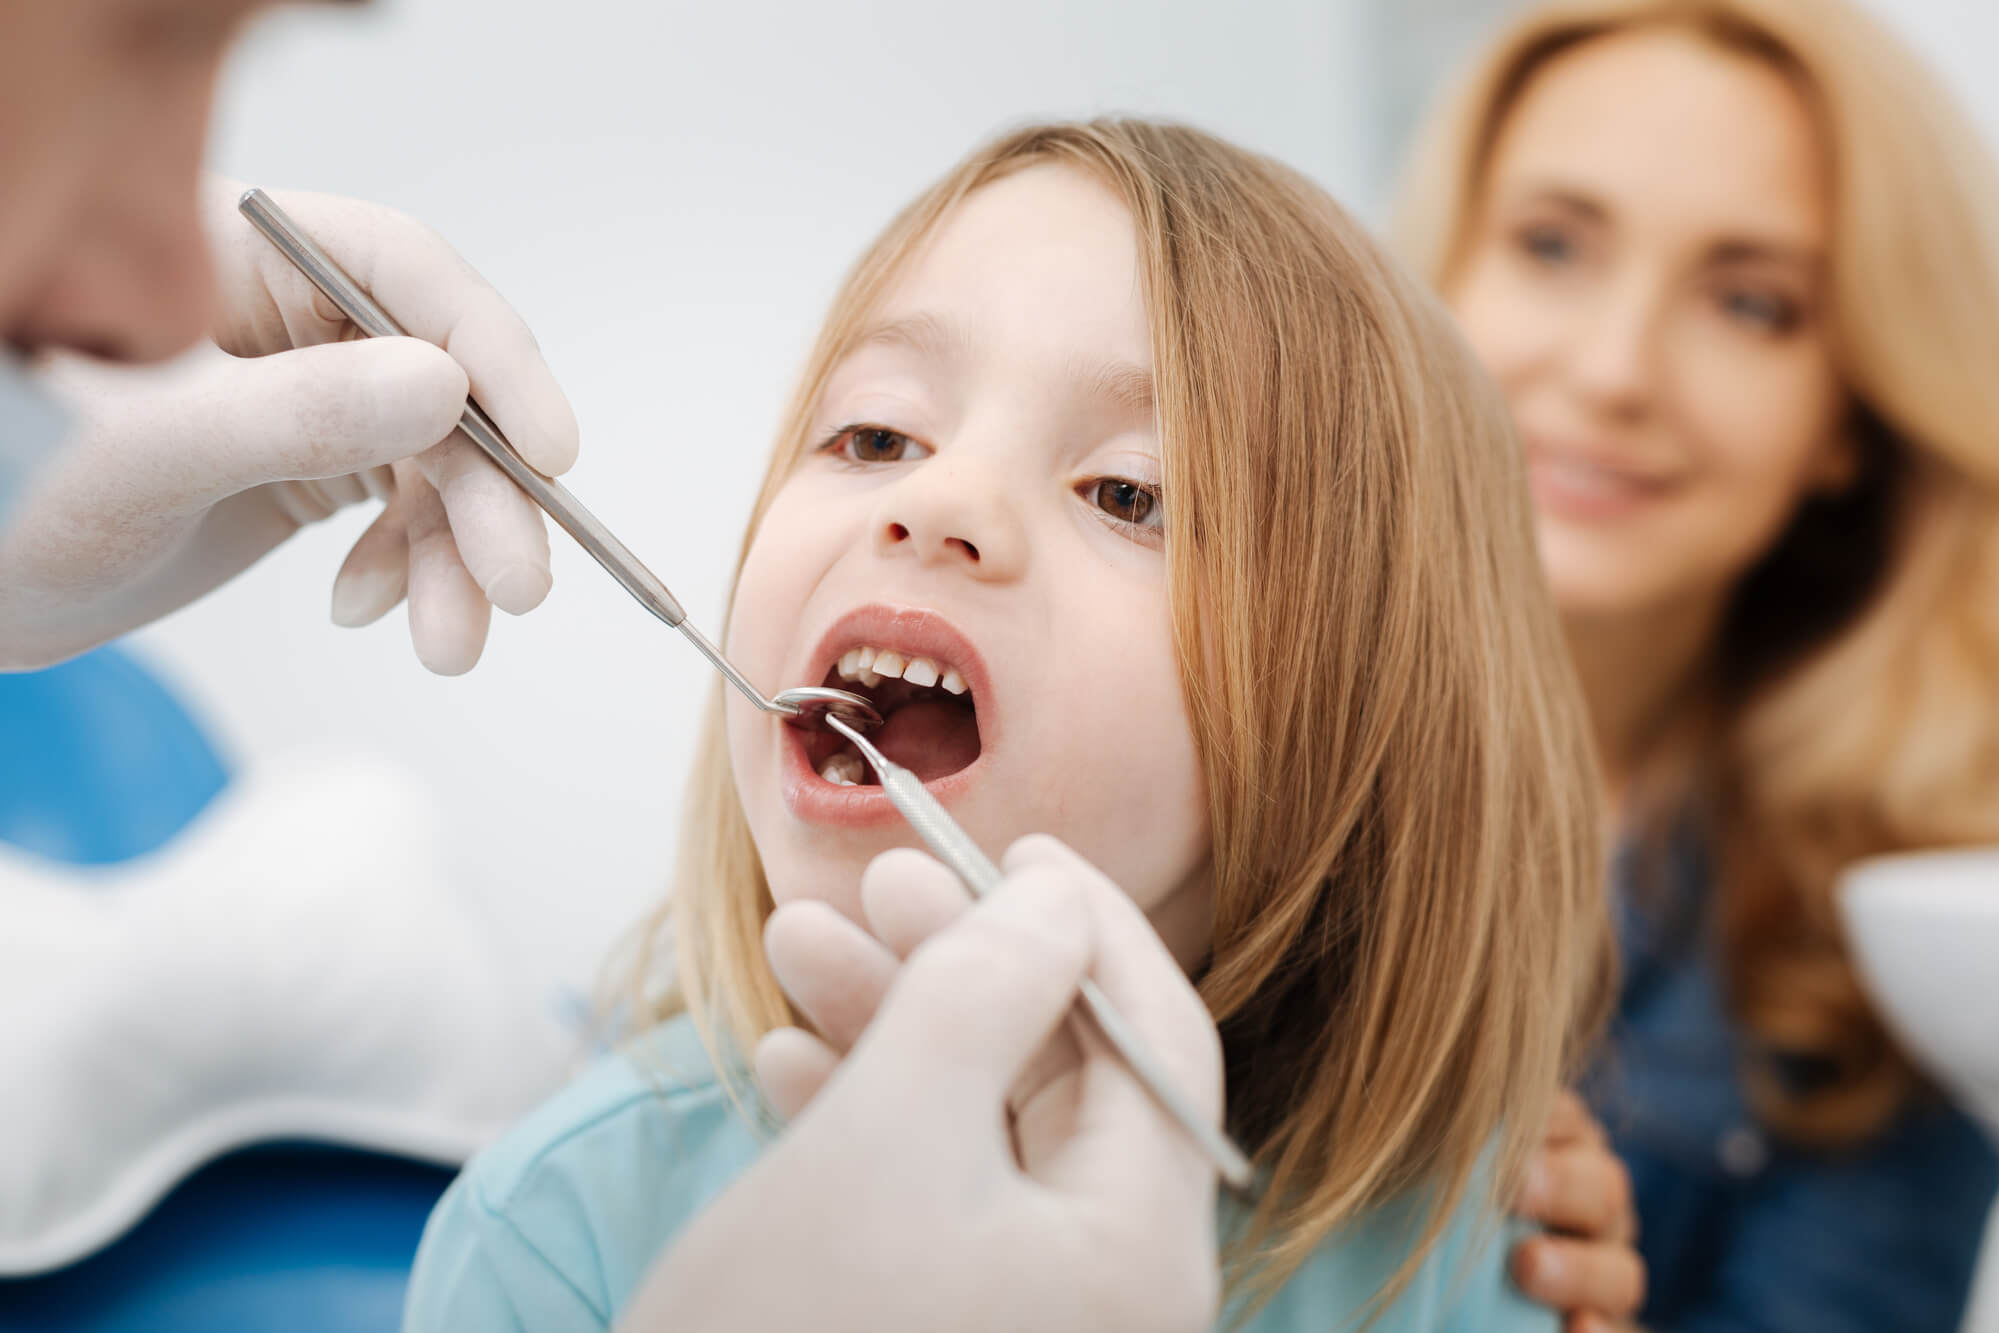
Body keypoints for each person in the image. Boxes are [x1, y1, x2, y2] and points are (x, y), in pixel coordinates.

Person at [402, 117, 1618, 1332]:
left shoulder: (1470, 1252)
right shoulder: (561, 1230)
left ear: (1369, 711)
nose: (938, 500)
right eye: (875, 434)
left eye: (1130, 493)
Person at [1395, 0, 1999, 1326]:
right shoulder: (1179, 724)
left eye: (1747, 302)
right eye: (1550, 244)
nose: (1613, 370)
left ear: (1846, 410)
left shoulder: (1872, 946)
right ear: (1433, 280)